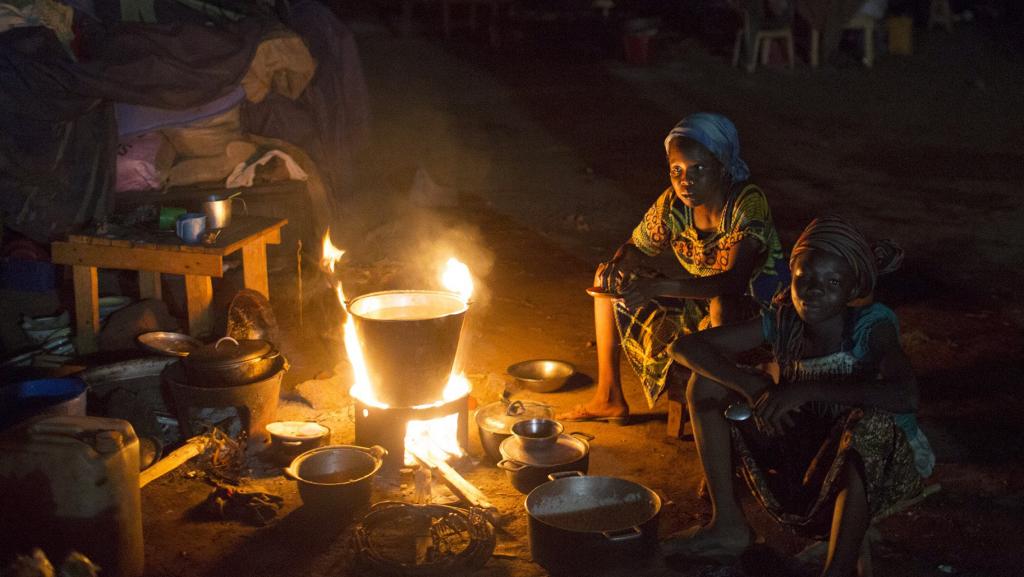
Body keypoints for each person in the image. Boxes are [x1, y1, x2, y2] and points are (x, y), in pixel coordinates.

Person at [666, 215, 934, 576]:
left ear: (853, 290)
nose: (813, 290)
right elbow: (686, 347)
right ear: (790, 275)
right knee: (706, 384)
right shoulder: (784, 319)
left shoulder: (870, 325)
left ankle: (836, 569)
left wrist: (805, 388)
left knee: (870, 426)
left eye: (832, 281)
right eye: (803, 277)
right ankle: (728, 525)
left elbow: (906, 395)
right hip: (809, 446)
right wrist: (751, 385)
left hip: (874, 467)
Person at [557, 112, 788, 424]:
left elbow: (733, 282)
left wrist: (659, 287)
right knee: (608, 280)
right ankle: (609, 396)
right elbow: (635, 247)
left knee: (722, 306)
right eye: (676, 170)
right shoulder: (674, 205)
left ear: (722, 167)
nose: (685, 181)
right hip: (702, 306)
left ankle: (725, 408)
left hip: (759, 316)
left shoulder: (746, 202)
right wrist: (618, 265)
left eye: (698, 169)